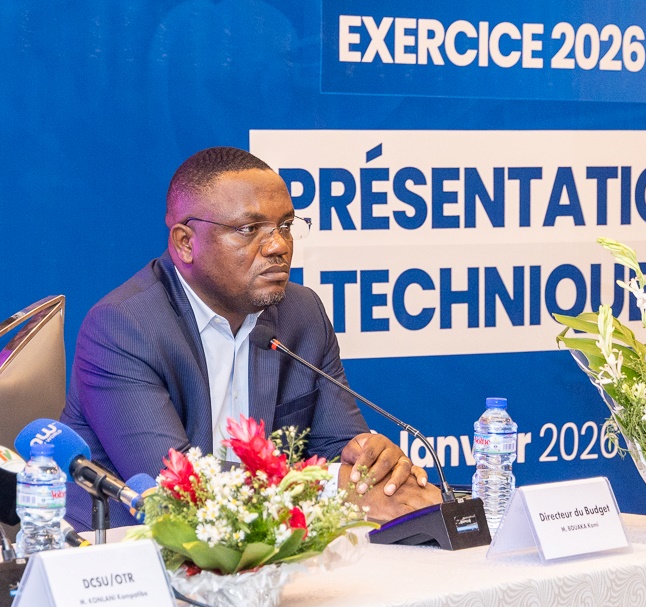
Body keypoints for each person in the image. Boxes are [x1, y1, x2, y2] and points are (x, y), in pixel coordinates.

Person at [63, 146, 439, 524]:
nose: (278, 246)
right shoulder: (122, 327)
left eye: (286, 226)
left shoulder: (303, 314)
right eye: (249, 229)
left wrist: (370, 469)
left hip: (269, 545)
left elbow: (338, 452)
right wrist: (329, 486)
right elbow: (177, 491)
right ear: (185, 243)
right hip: (127, 546)